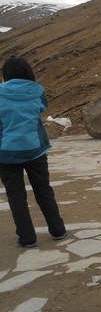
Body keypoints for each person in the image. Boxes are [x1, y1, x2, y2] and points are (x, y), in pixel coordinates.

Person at [0, 56, 66, 247]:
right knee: (44, 190)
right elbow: (42, 108)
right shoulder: (38, 91)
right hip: (35, 149)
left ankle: (27, 238)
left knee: (16, 196)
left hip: (6, 152)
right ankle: (58, 230)